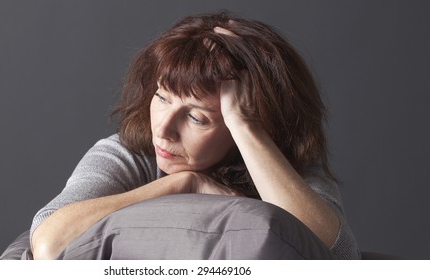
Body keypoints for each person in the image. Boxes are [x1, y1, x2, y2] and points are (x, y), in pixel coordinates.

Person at [29, 12, 359, 260]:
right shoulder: (129, 152)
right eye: (161, 97)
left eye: (196, 117)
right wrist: (183, 184)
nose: (163, 128)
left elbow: (337, 258)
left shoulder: (287, 164)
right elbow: (48, 243)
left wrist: (245, 127)